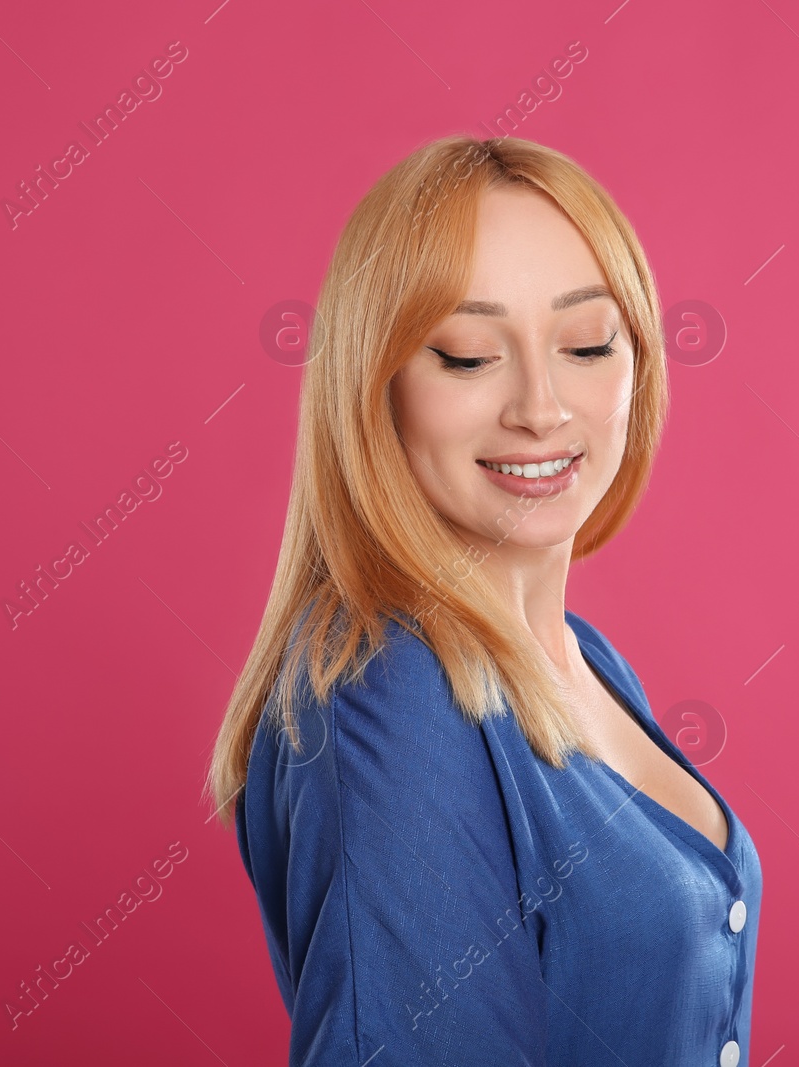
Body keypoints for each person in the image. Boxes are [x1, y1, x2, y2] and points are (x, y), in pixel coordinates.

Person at [207, 134, 761, 1066]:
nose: (541, 407)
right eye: (467, 356)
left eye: (587, 343)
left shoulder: (589, 661)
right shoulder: (388, 694)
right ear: (376, 387)